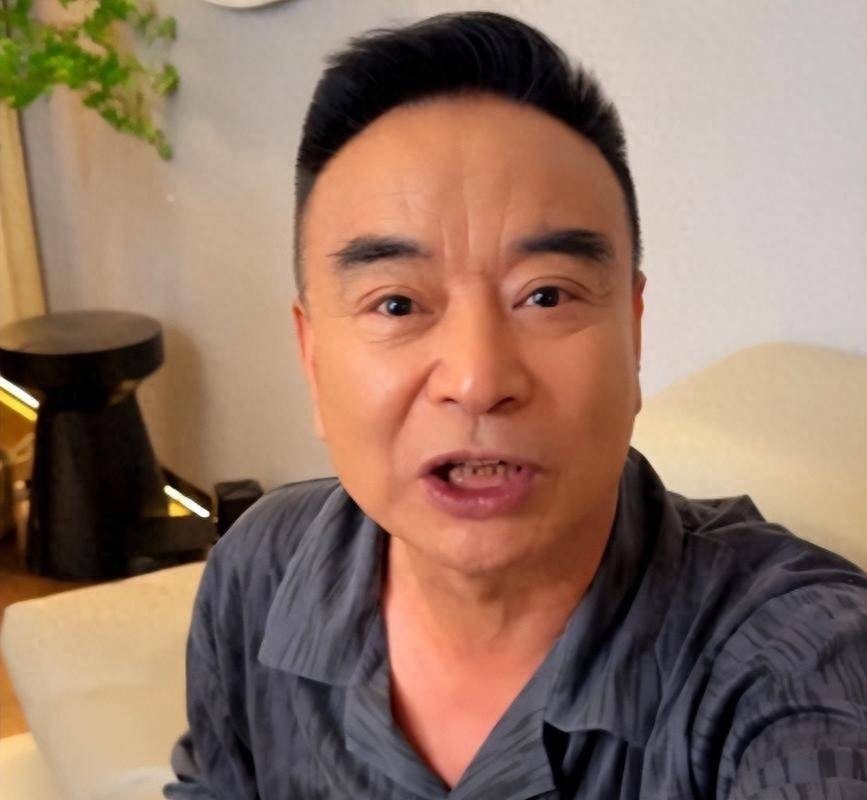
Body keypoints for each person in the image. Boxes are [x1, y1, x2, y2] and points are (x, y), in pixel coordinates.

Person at [164, 11, 867, 799]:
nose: (476, 378)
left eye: (545, 295)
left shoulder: (797, 659)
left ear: (633, 333)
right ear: (312, 357)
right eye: (396, 304)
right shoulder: (262, 567)